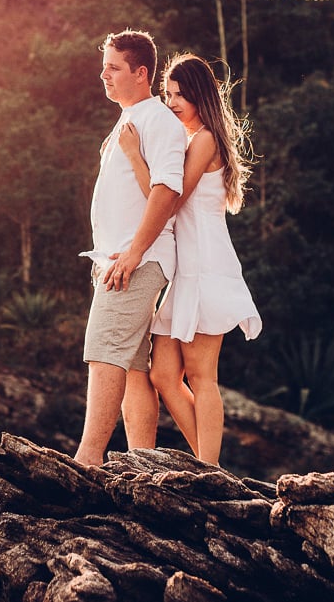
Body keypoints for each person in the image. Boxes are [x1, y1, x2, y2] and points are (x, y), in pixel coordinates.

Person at [117, 53, 261, 465]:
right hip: (186, 271)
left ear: (200, 95)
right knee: (163, 374)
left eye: (180, 95)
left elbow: (170, 201)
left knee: (202, 376)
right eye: (168, 94)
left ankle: (210, 469)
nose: (172, 102)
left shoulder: (204, 140)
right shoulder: (189, 139)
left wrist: (133, 155)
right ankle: (205, 460)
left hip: (208, 267)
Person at [74, 29, 186, 466]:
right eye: (104, 66)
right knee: (135, 369)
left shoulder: (156, 121)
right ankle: (142, 464)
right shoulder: (130, 117)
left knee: (104, 351)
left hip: (135, 259)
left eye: (113, 67)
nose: (104, 74)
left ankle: (88, 460)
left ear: (141, 73)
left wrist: (135, 252)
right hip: (120, 257)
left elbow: (166, 190)